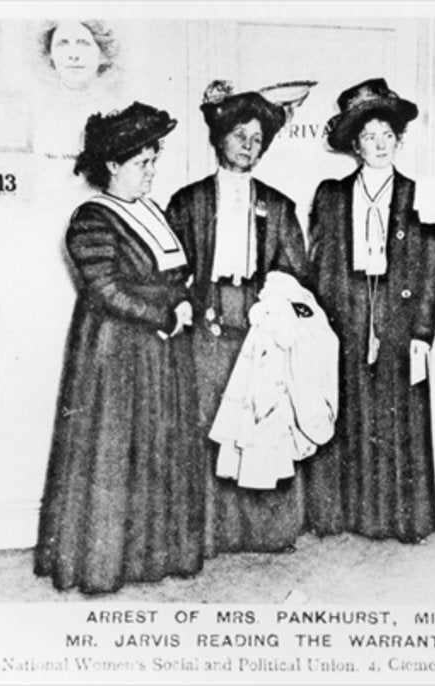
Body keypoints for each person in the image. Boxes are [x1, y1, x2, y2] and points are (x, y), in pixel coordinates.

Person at [34, 102, 203, 594]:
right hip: (116, 350)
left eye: (155, 160)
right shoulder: (92, 218)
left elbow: (176, 273)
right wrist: (162, 316)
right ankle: (106, 562)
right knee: (113, 449)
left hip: (161, 347)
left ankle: (152, 555)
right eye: (143, 163)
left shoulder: (152, 209)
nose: (152, 171)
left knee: (157, 445)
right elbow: (103, 289)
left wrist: (184, 303)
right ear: (113, 165)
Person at [166, 80, 309, 556]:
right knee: (210, 423)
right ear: (219, 138)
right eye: (239, 135)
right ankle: (211, 534)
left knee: (262, 423)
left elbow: (296, 270)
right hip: (207, 321)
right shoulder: (188, 202)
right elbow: (171, 268)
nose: (248, 146)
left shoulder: (279, 204)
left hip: (258, 321)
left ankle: (266, 534)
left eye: (257, 139)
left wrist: (275, 300)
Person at [303, 78, 435, 543]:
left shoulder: (420, 194)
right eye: (370, 137)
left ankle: (402, 518)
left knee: (397, 413)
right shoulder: (331, 194)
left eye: (388, 136)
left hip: (399, 316)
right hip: (346, 311)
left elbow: (432, 268)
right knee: (348, 408)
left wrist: (423, 331)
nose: (380, 145)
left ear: (400, 141)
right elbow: (321, 261)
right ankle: (348, 514)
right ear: (355, 145)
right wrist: (323, 323)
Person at [39, 19, 117, 92]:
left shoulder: (116, 103)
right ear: (50, 54)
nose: (73, 56)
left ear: (102, 53)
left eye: (84, 44)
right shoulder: (39, 102)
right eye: (62, 44)